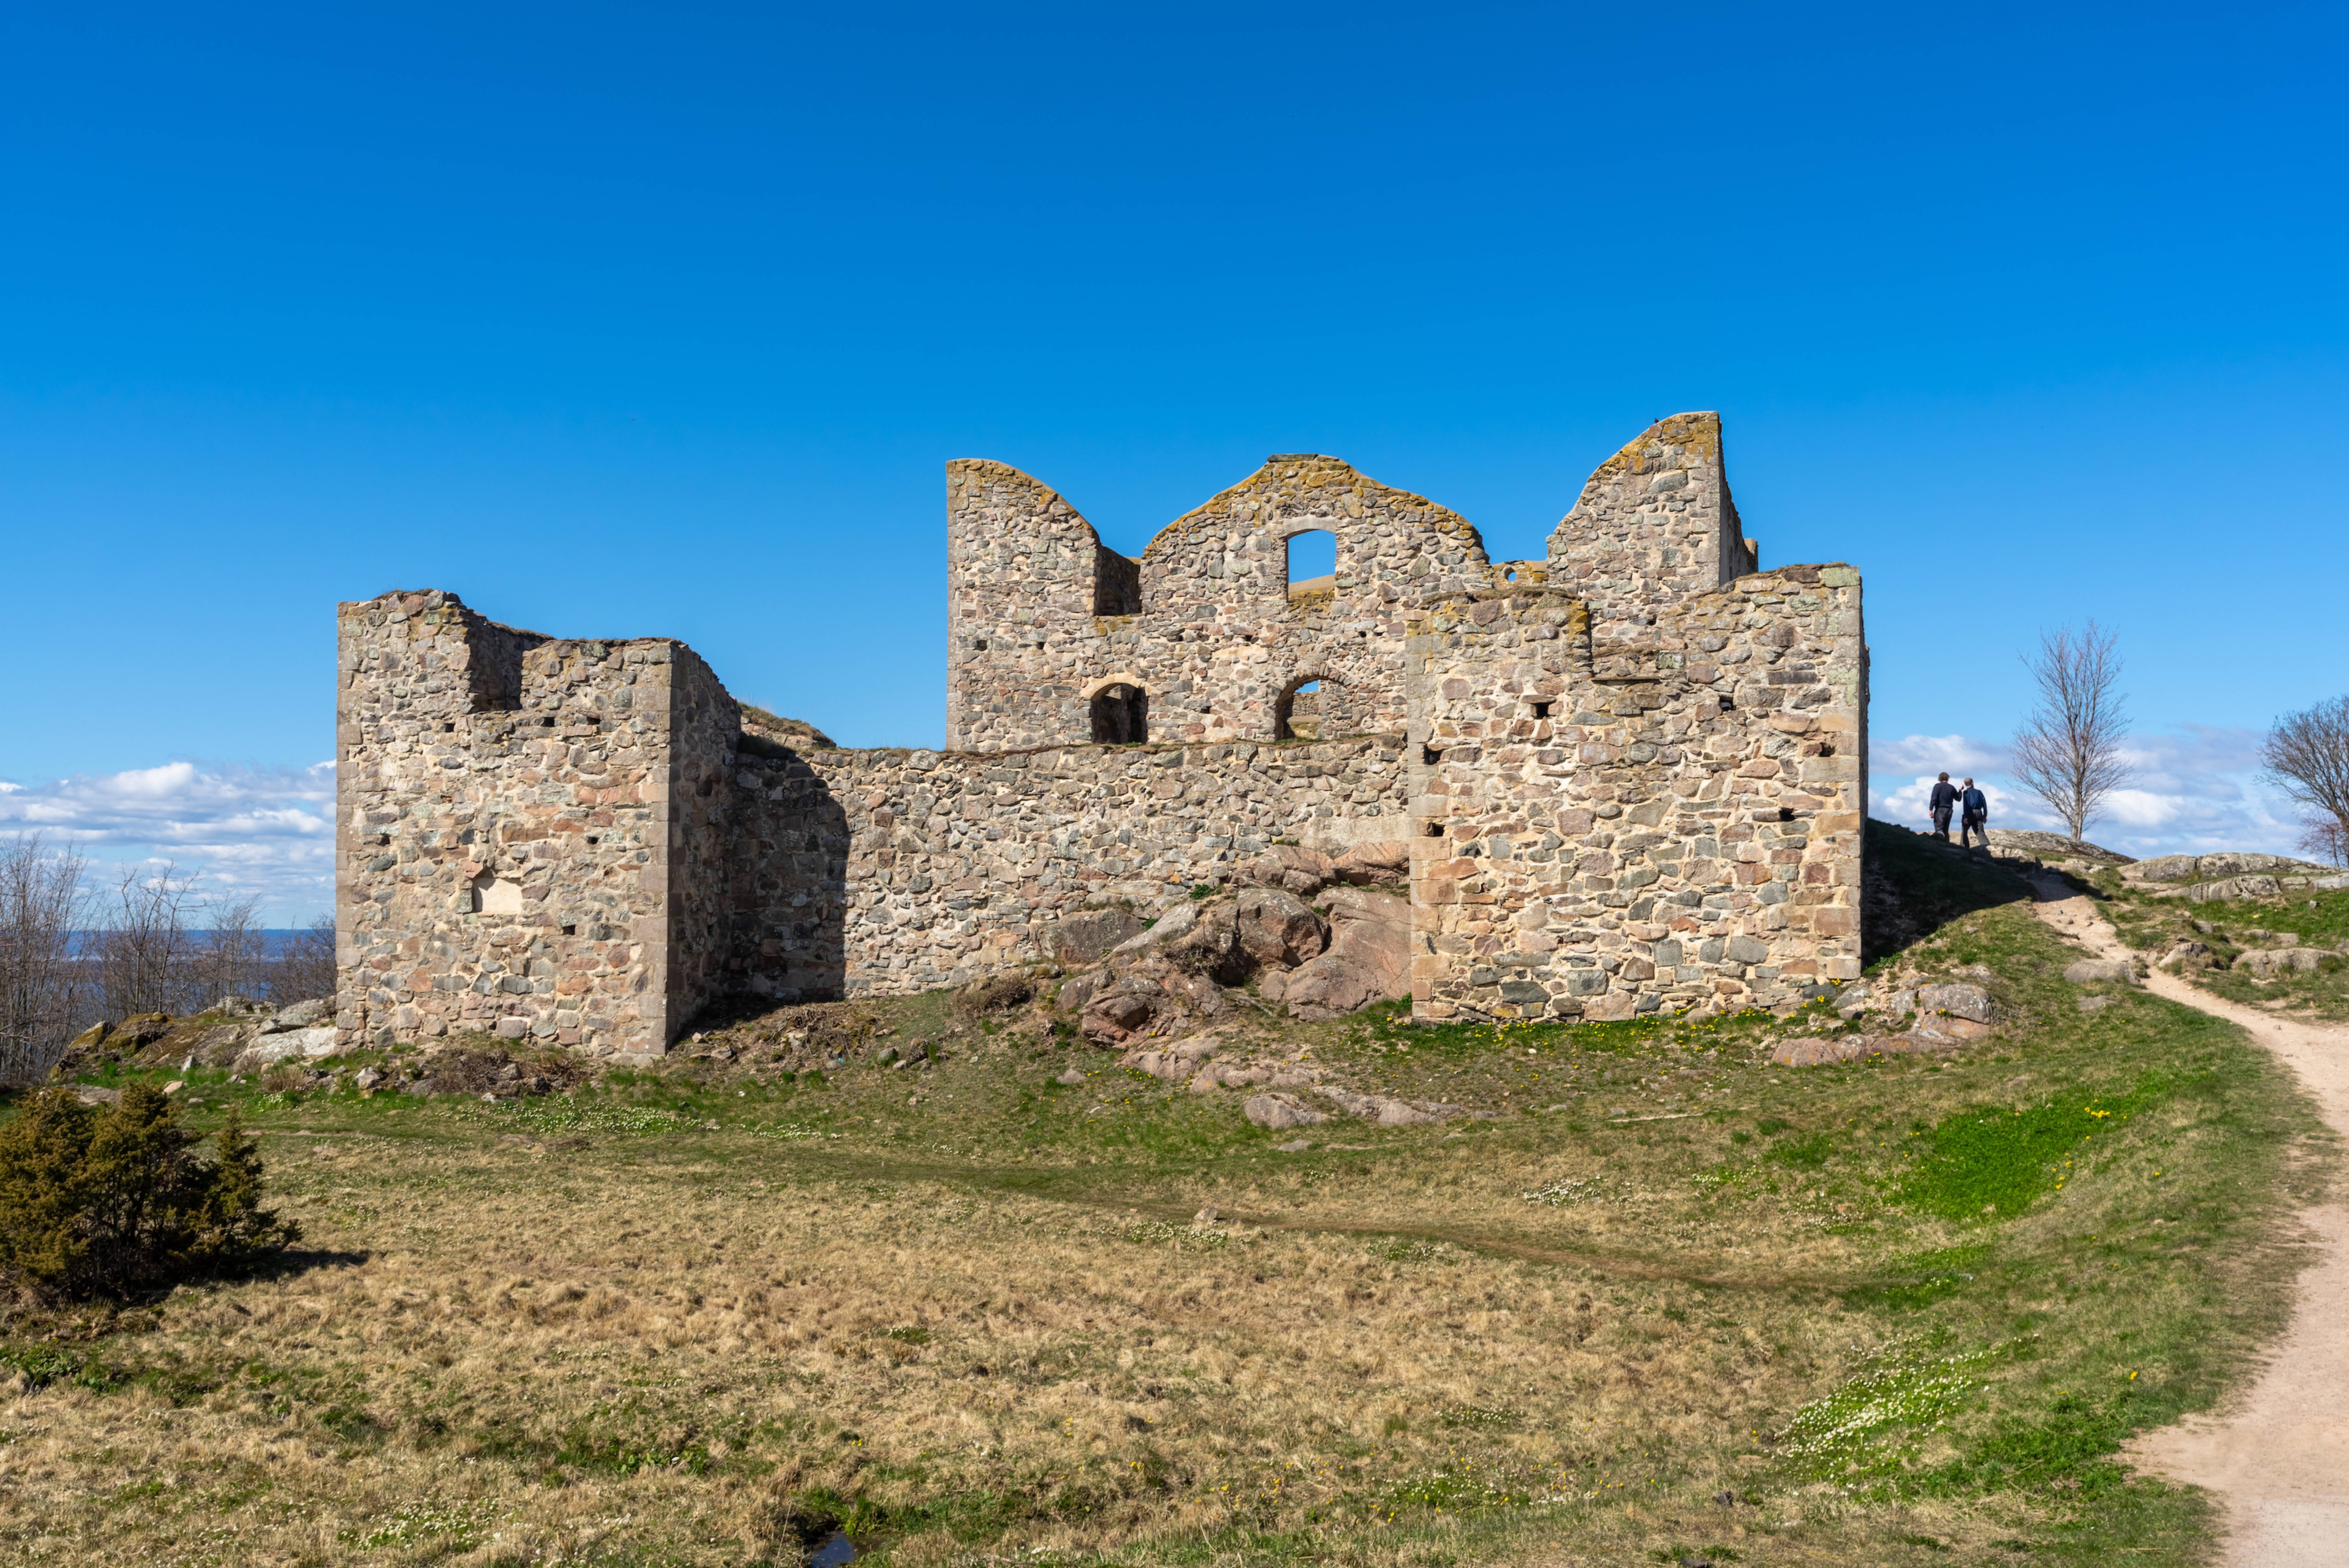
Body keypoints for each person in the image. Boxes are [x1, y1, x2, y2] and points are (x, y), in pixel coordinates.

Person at [1960, 778, 1990, 849]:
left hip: (1970, 812)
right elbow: (1985, 804)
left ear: (1965, 784)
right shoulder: (1979, 792)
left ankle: (1964, 847)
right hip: (1979, 812)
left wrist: (1966, 817)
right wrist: (1985, 816)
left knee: (1965, 831)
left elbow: (1966, 805)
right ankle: (1986, 845)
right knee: (1980, 831)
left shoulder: (1966, 793)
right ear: (1972, 783)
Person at [1928, 773, 1958, 840]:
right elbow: (1958, 799)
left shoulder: (1938, 787)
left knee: (1939, 829)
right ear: (1948, 778)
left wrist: (1931, 809)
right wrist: (1960, 791)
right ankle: (1947, 844)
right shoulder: (1951, 788)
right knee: (1946, 829)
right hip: (1949, 810)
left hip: (1940, 809)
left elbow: (1934, 798)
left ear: (1940, 779)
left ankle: (1941, 846)